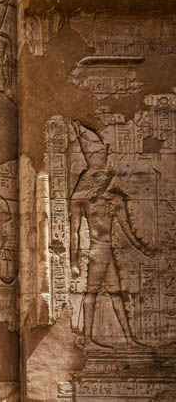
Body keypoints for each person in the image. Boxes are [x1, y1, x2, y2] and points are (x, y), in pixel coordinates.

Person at [70, 121, 157, 348]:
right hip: (98, 252)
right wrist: (73, 261)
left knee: (115, 293)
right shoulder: (86, 199)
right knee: (93, 292)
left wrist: (145, 250)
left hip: (105, 252)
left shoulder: (113, 200)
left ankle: (128, 340)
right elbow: (75, 232)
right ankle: (88, 340)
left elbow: (128, 232)